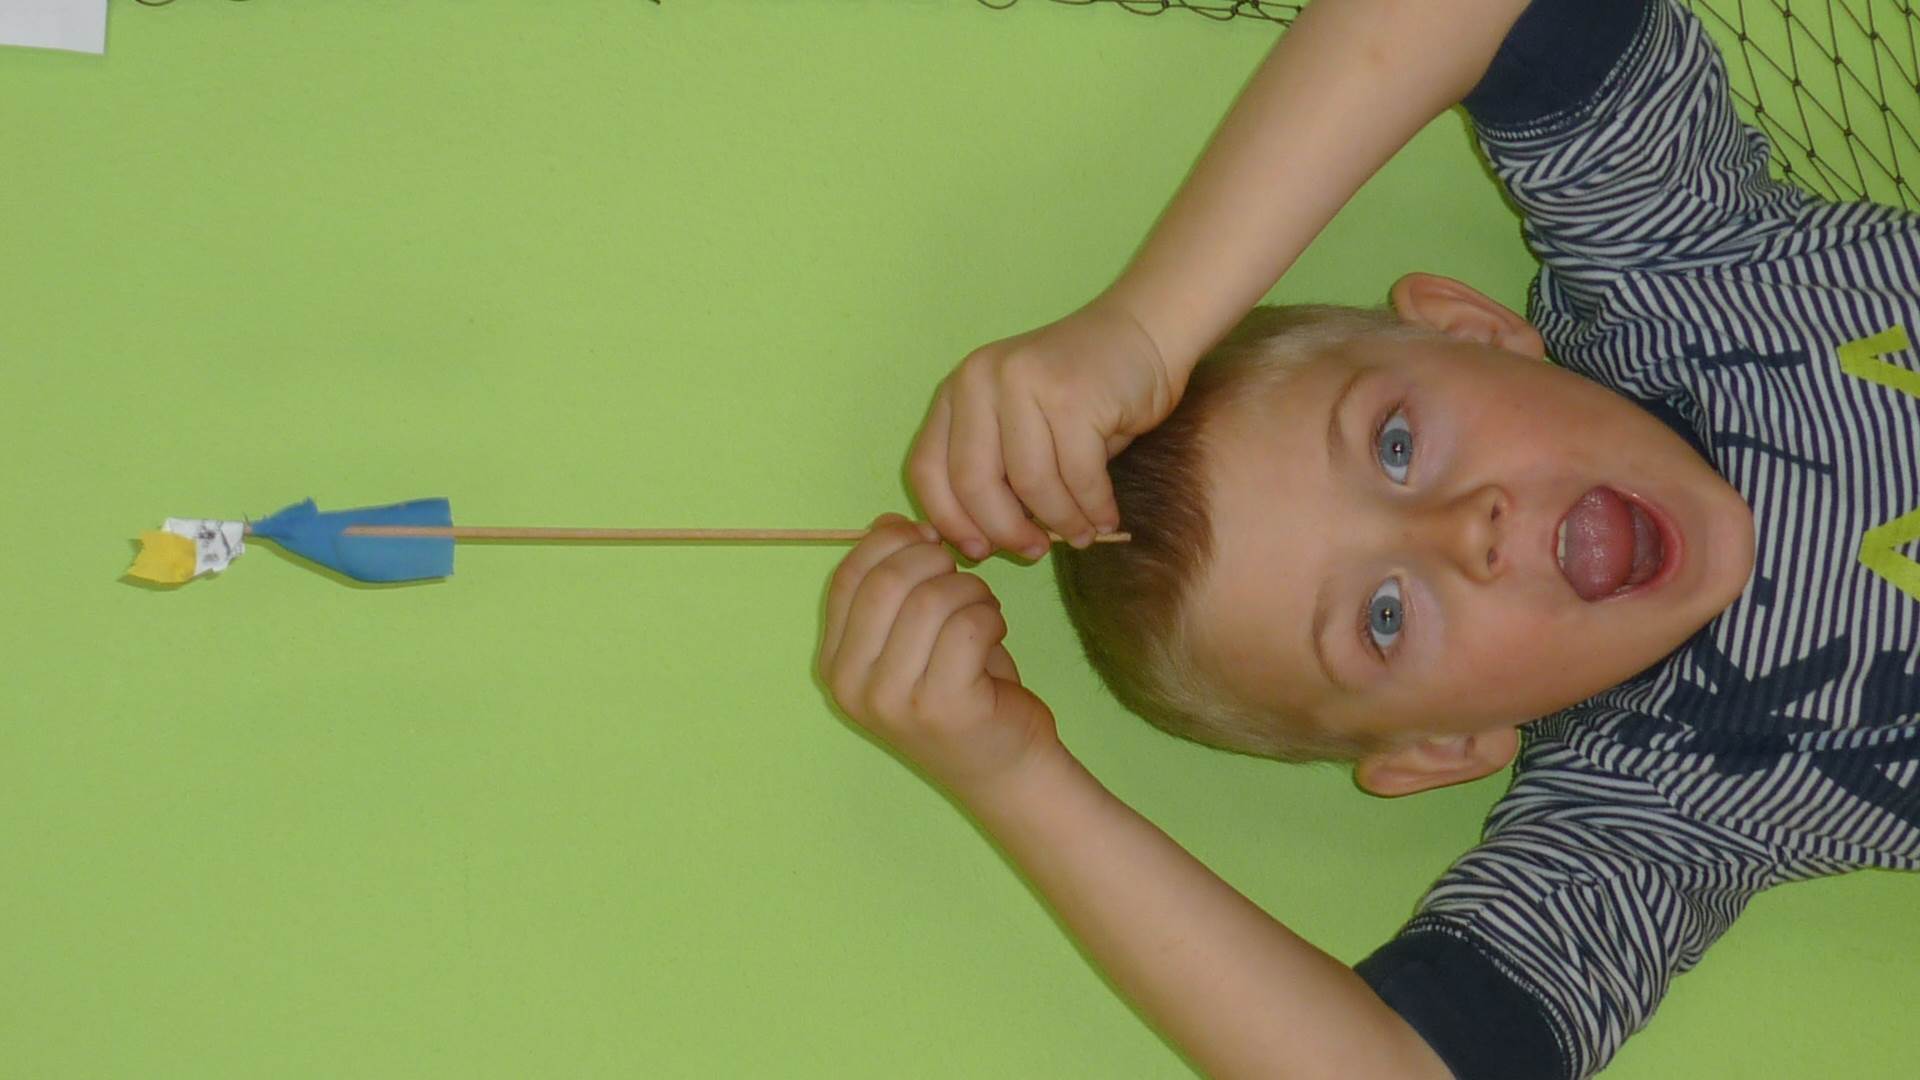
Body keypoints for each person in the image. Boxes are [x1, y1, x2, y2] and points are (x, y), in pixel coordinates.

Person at [817, 0, 1920, 1074]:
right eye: (1383, 619)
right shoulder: (1649, 808)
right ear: (1447, 746)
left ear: (1472, 331)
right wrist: (1016, 777)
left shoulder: (1678, 269)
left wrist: (1143, 332)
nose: (1462, 532)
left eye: (1396, 443)